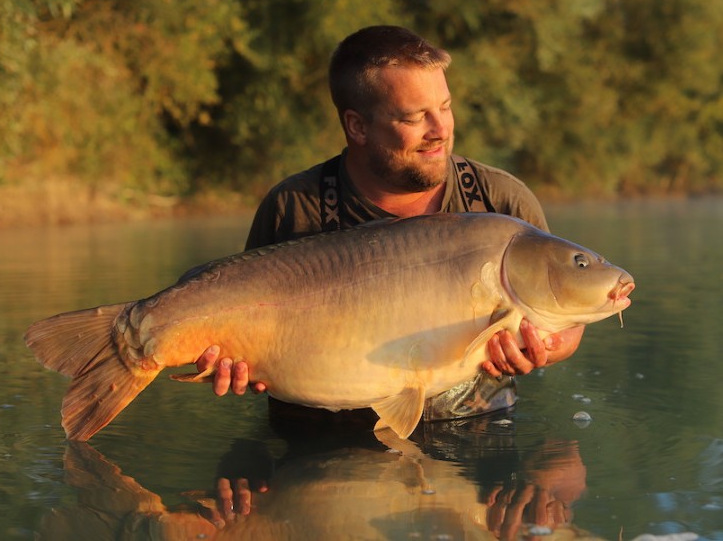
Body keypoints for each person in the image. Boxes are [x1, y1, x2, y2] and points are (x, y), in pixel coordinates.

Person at [197, 24, 584, 425]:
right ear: (357, 127)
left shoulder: (501, 204)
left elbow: (568, 318)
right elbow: (235, 328)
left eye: (446, 107)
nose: (441, 131)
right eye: (415, 117)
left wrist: (546, 348)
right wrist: (229, 361)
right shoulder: (294, 207)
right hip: (318, 442)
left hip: (476, 437)